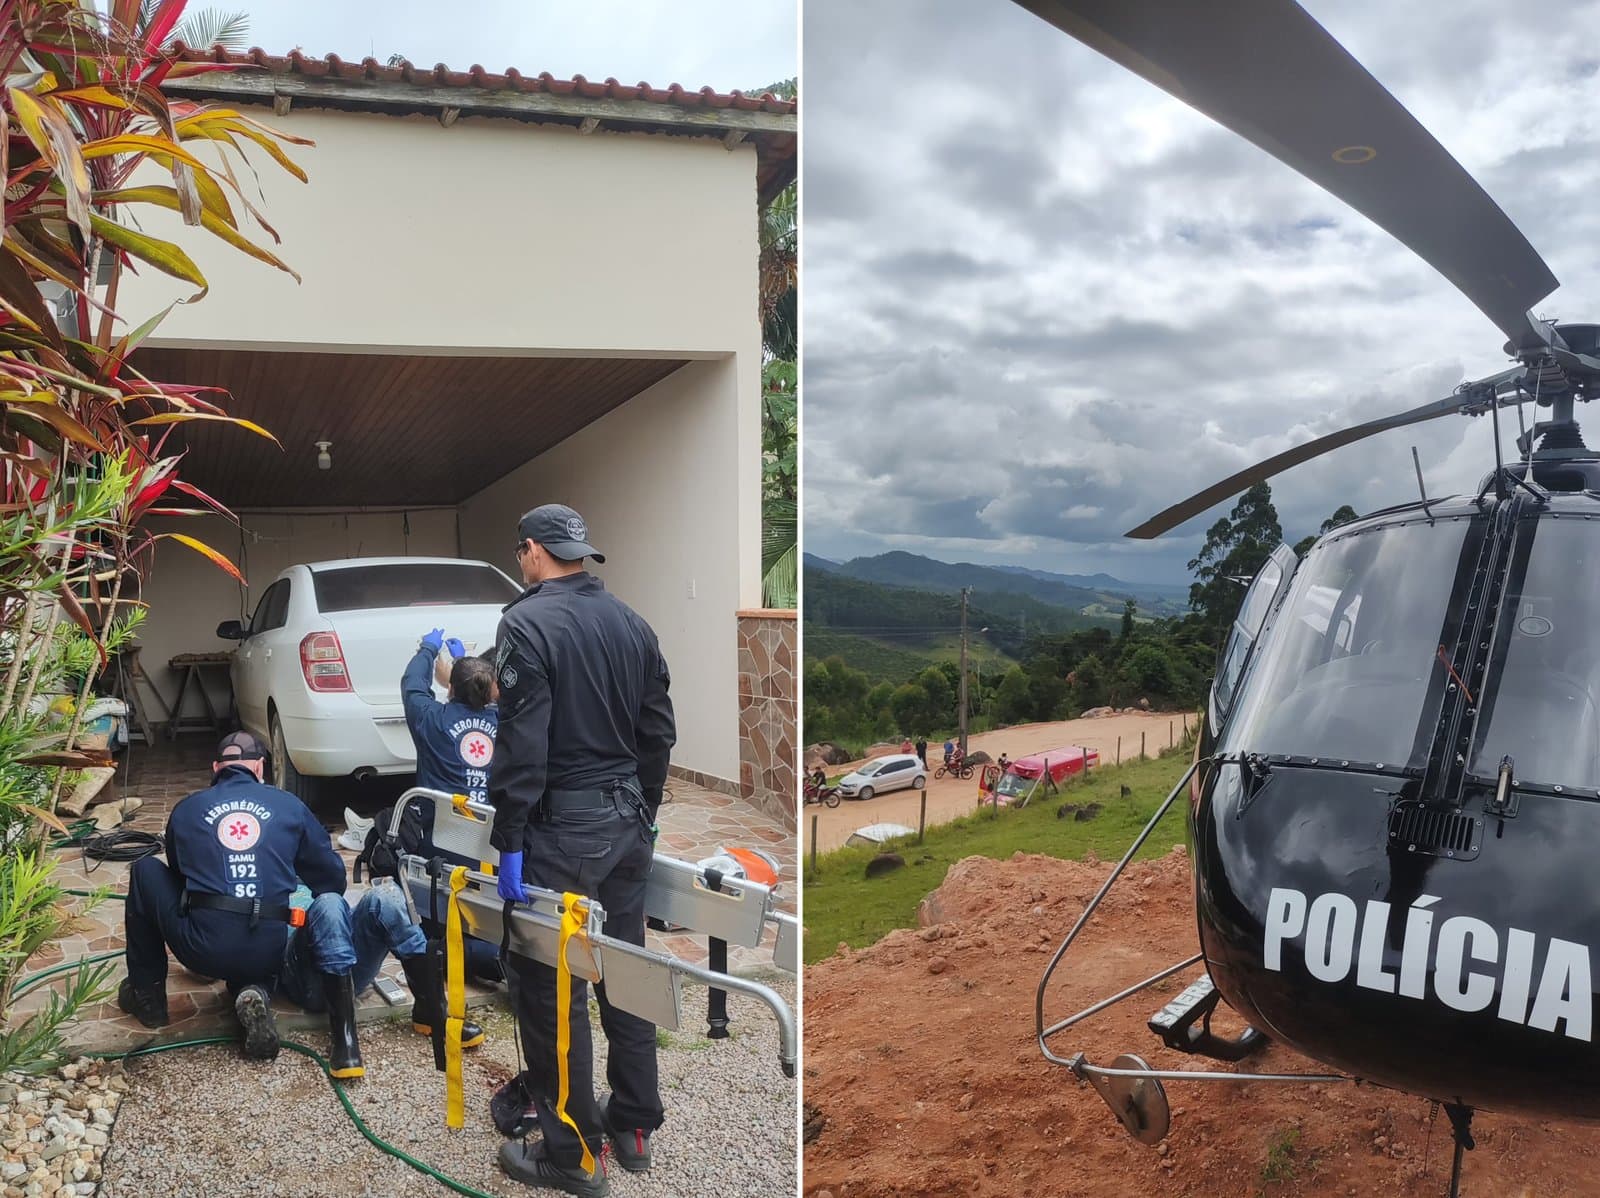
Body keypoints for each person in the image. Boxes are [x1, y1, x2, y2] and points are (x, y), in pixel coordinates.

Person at [489, 503, 675, 1196]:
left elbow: (522, 745)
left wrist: (510, 838)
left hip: (561, 834)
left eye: (521, 554)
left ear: (533, 550)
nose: (522, 563)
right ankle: (633, 1124)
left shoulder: (525, 624)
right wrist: (644, 812)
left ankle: (571, 1154)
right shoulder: (632, 622)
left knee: (553, 990)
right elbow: (658, 731)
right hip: (626, 826)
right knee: (624, 971)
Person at [118, 731, 482, 1077]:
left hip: (205, 950)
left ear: (215, 769)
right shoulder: (288, 805)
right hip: (273, 950)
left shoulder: (186, 810)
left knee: (147, 870)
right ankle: (298, 1010)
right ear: (260, 767)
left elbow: (181, 875)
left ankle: (150, 1000)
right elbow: (332, 880)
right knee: (325, 903)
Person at [401, 630, 504, 992]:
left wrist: (428, 649)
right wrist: (466, 667)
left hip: (441, 849)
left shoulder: (431, 719)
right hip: (493, 851)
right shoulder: (507, 723)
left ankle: (451, 950)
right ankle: (488, 953)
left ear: (449, 689)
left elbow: (412, 684)